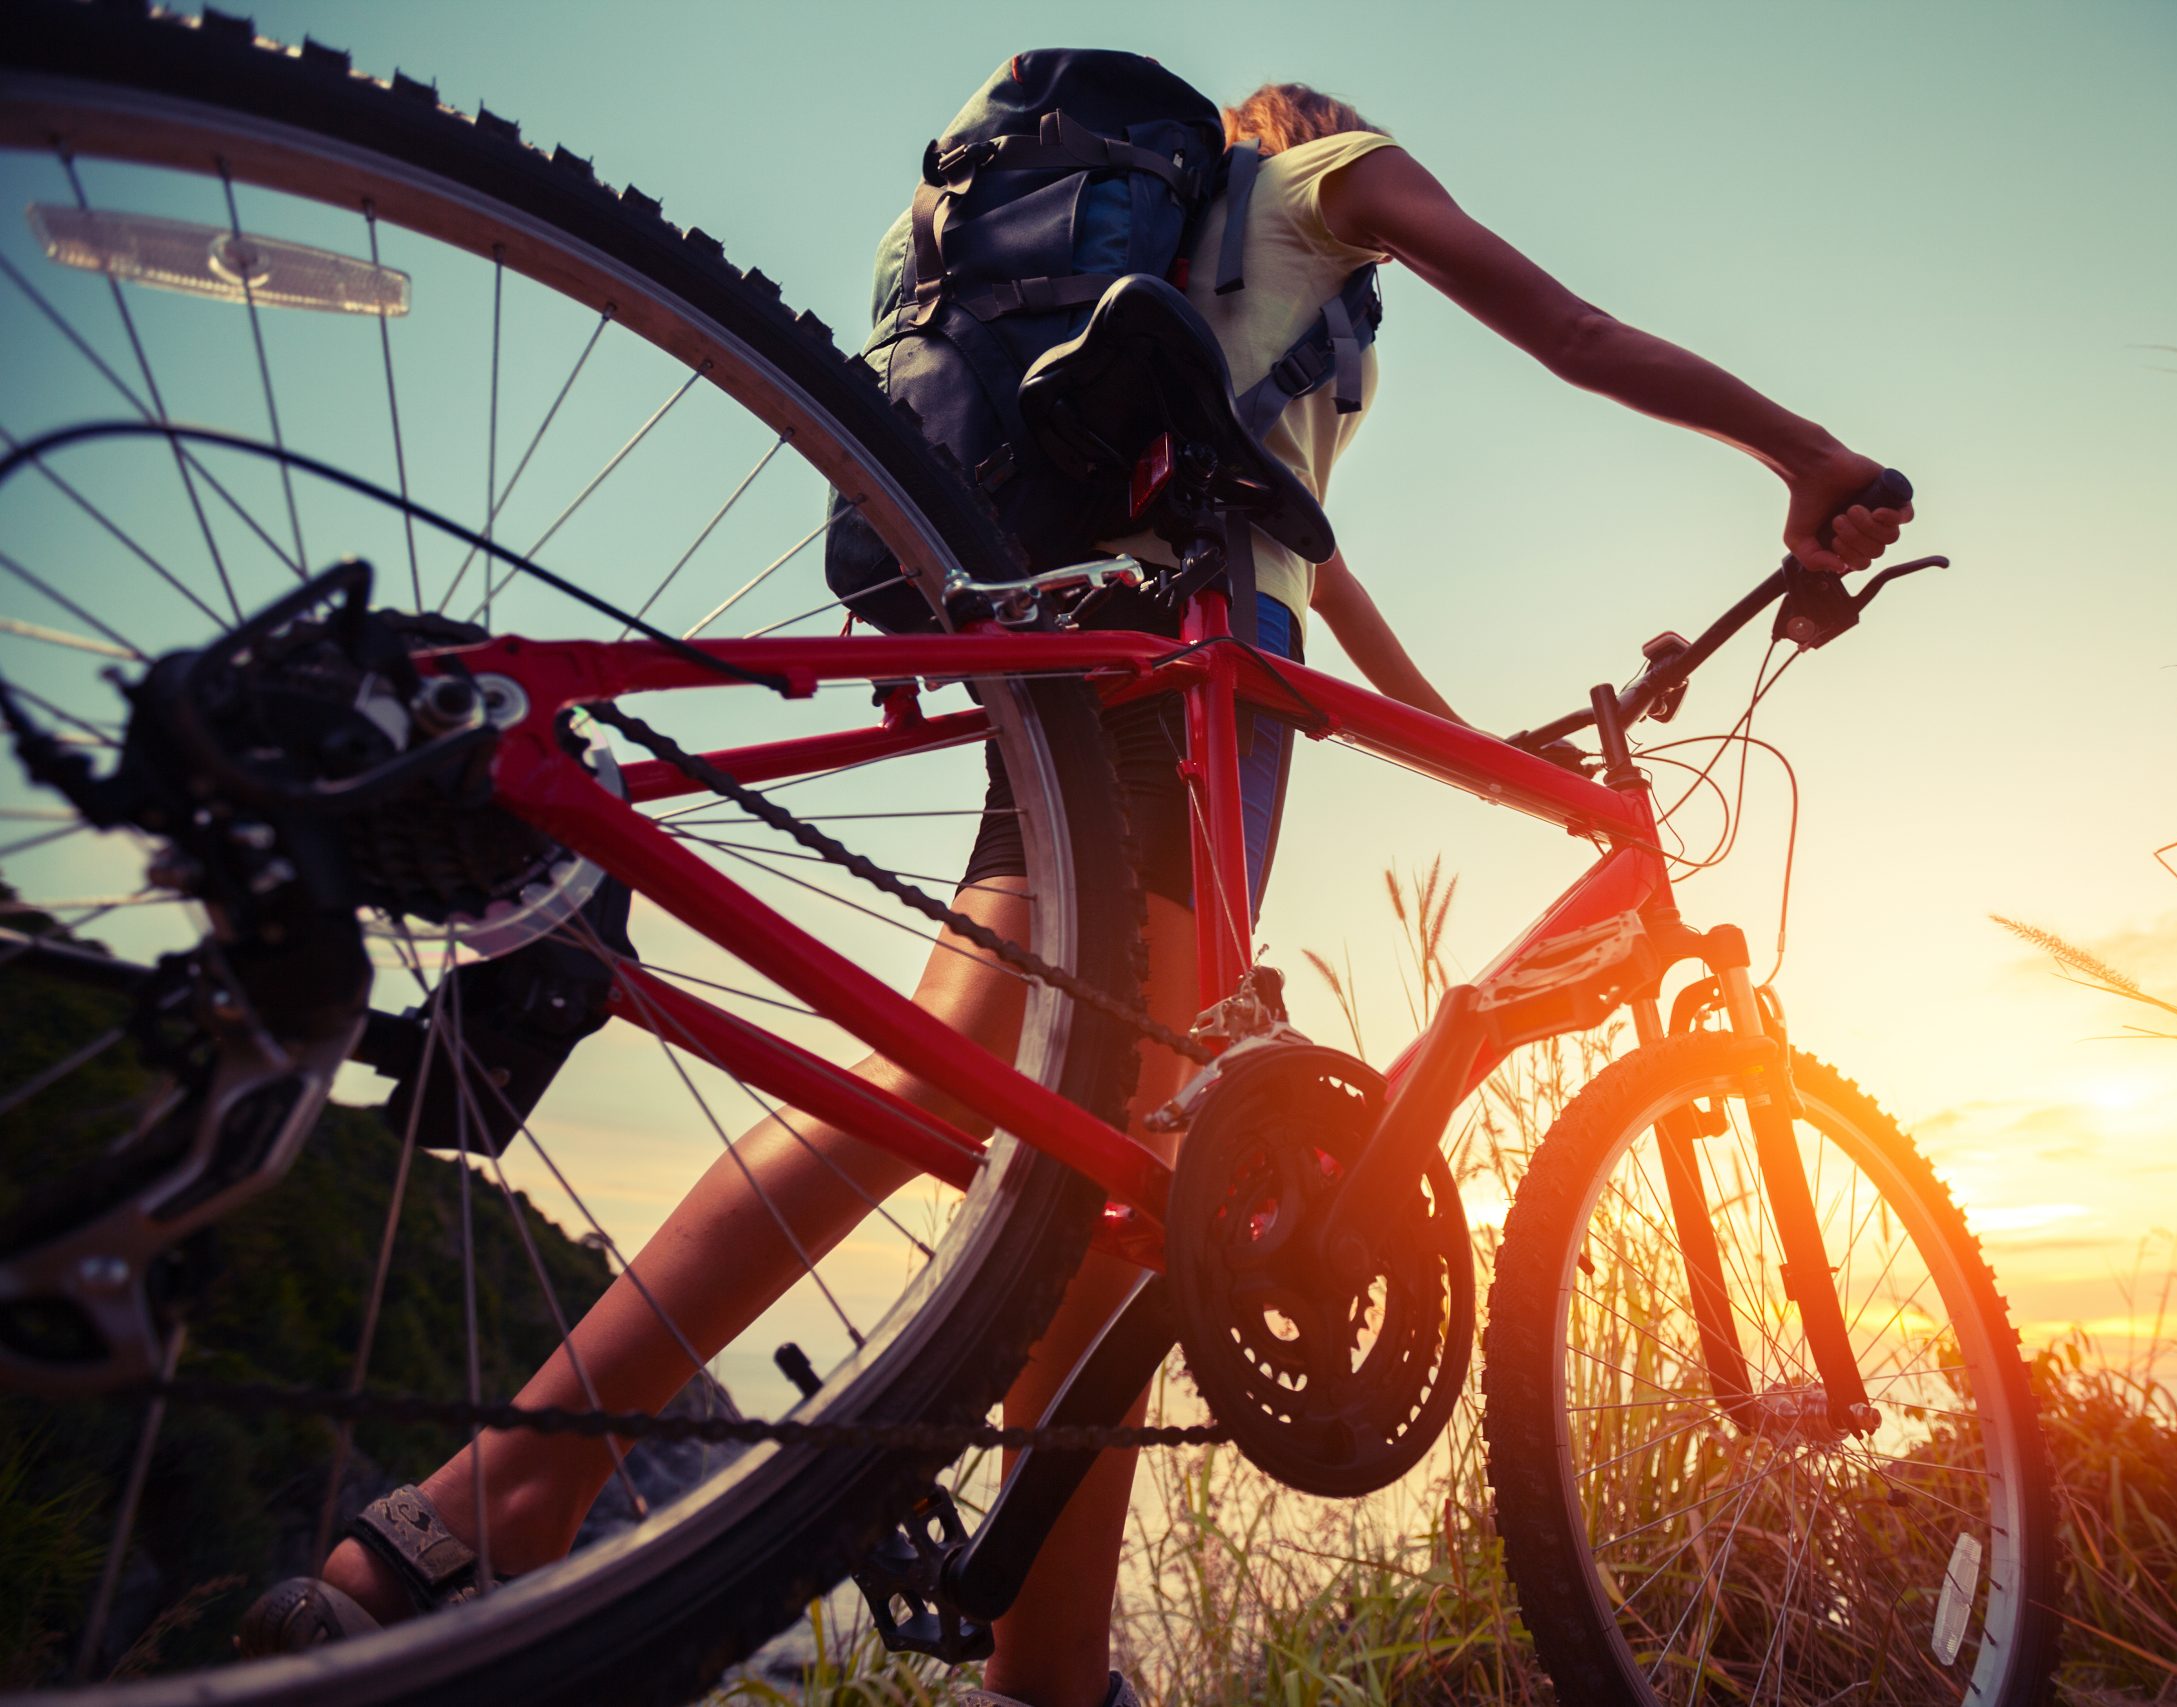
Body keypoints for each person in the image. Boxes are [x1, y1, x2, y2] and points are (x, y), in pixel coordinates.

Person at [244, 80, 1910, 1707]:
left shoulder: (1189, 281)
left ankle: (1001, 1650)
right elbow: (1573, 329)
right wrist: (1801, 449)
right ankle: (498, 1513)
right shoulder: (1325, 178)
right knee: (1048, 1138)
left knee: (1079, 1159)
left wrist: (1455, 738)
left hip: (1092, 635)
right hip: (1194, 673)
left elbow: (1301, 549)